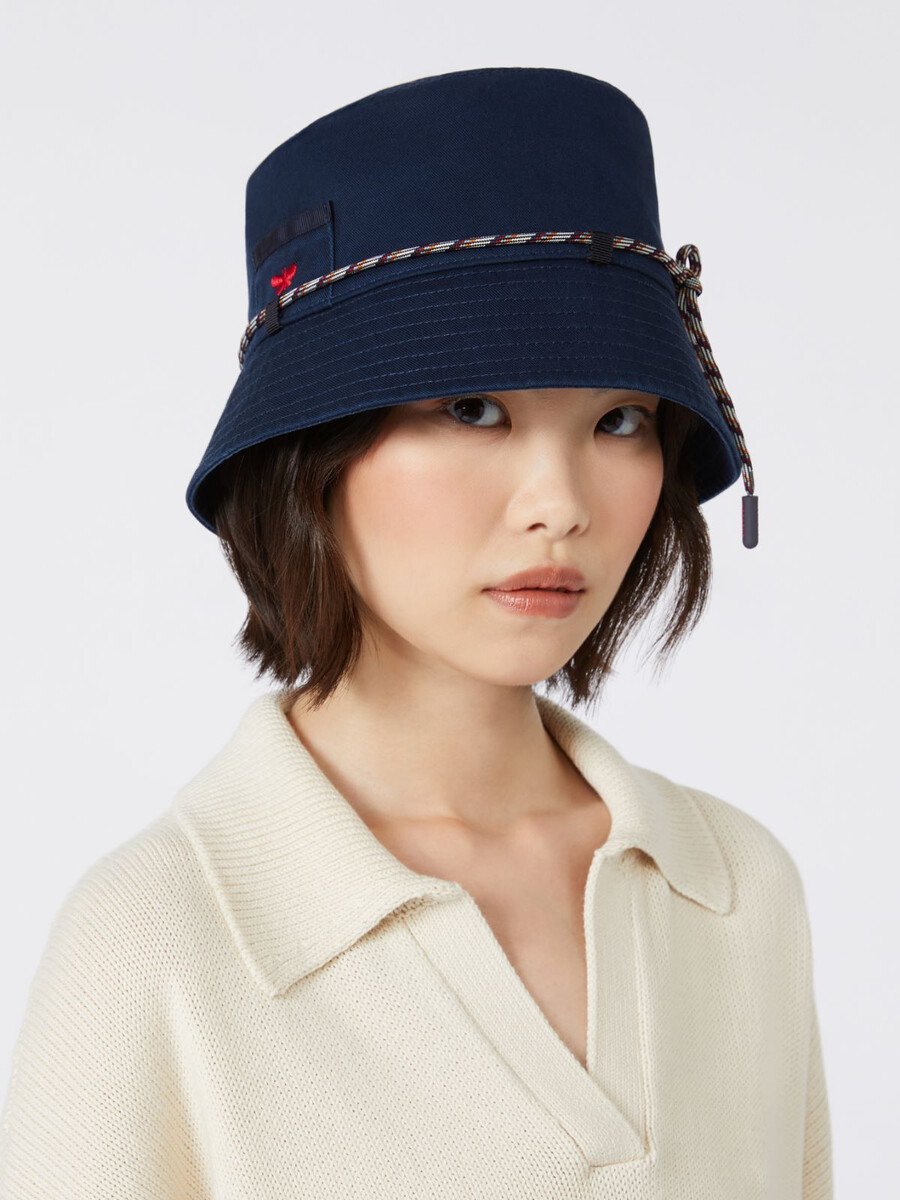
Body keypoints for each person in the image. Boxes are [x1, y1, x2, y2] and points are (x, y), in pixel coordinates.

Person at [0, 68, 831, 1198]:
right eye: (471, 408)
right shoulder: (157, 943)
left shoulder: (735, 891)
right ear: (312, 454)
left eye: (619, 418)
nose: (560, 505)